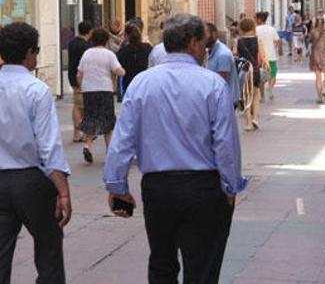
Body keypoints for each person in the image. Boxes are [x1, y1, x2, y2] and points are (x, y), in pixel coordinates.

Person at [103, 14, 246, 284]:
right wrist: (230, 186)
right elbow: (226, 143)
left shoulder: (142, 83)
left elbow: (123, 140)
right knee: (202, 269)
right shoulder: (212, 84)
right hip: (203, 188)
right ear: (192, 43)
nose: (207, 51)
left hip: (159, 188)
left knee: (162, 263)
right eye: (205, 45)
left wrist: (117, 186)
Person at [0, 22, 71, 284]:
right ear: (29, 53)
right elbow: (48, 145)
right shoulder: (37, 90)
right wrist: (63, 189)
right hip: (32, 181)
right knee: (48, 250)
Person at [77, 28, 126, 164]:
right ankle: (109, 151)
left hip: (89, 90)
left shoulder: (87, 54)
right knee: (107, 121)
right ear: (106, 40)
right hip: (105, 89)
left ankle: (88, 146)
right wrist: (122, 71)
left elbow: (79, 74)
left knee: (91, 118)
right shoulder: (109, 54)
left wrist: (82, 86)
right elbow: (119, 71)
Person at [234, 18, 268, 131]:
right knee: (255, 94)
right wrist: (267, 65)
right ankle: (255, 119)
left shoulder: (237, 41)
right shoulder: (258, 40)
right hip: (255, 70)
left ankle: (248, 123)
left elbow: (235, 55)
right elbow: (263, 56)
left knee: (245, 96)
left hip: (244, 70)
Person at [67, 21, 93, 143]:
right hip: (81, 77)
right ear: (89, 32)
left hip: (72, 75)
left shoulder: (72, 43)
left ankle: (77, 132)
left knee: (77, 105)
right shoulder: (86, 46)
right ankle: (79, 133)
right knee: (80, 106)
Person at [205, 23, 240, 107]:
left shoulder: (222, 54)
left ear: (213, 34)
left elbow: (221, 82)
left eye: (204, 35)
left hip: (224, 101)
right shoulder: (211, 51)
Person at [116, 25, 153, 93]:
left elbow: (119, 66)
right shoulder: (148, 48)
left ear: (126, 36)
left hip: (129, 83)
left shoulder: (123, 51)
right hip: (144, 82)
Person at [255, 12, 282, 101]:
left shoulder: (255, 30)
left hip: (260, 57)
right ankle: (270, 87)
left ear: (259, 19)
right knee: (273, 75)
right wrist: (280, 50)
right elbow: (278, 41)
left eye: (256, 19)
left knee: (261, 78)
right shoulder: (272, 29)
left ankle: (262, 97)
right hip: (271, 57)